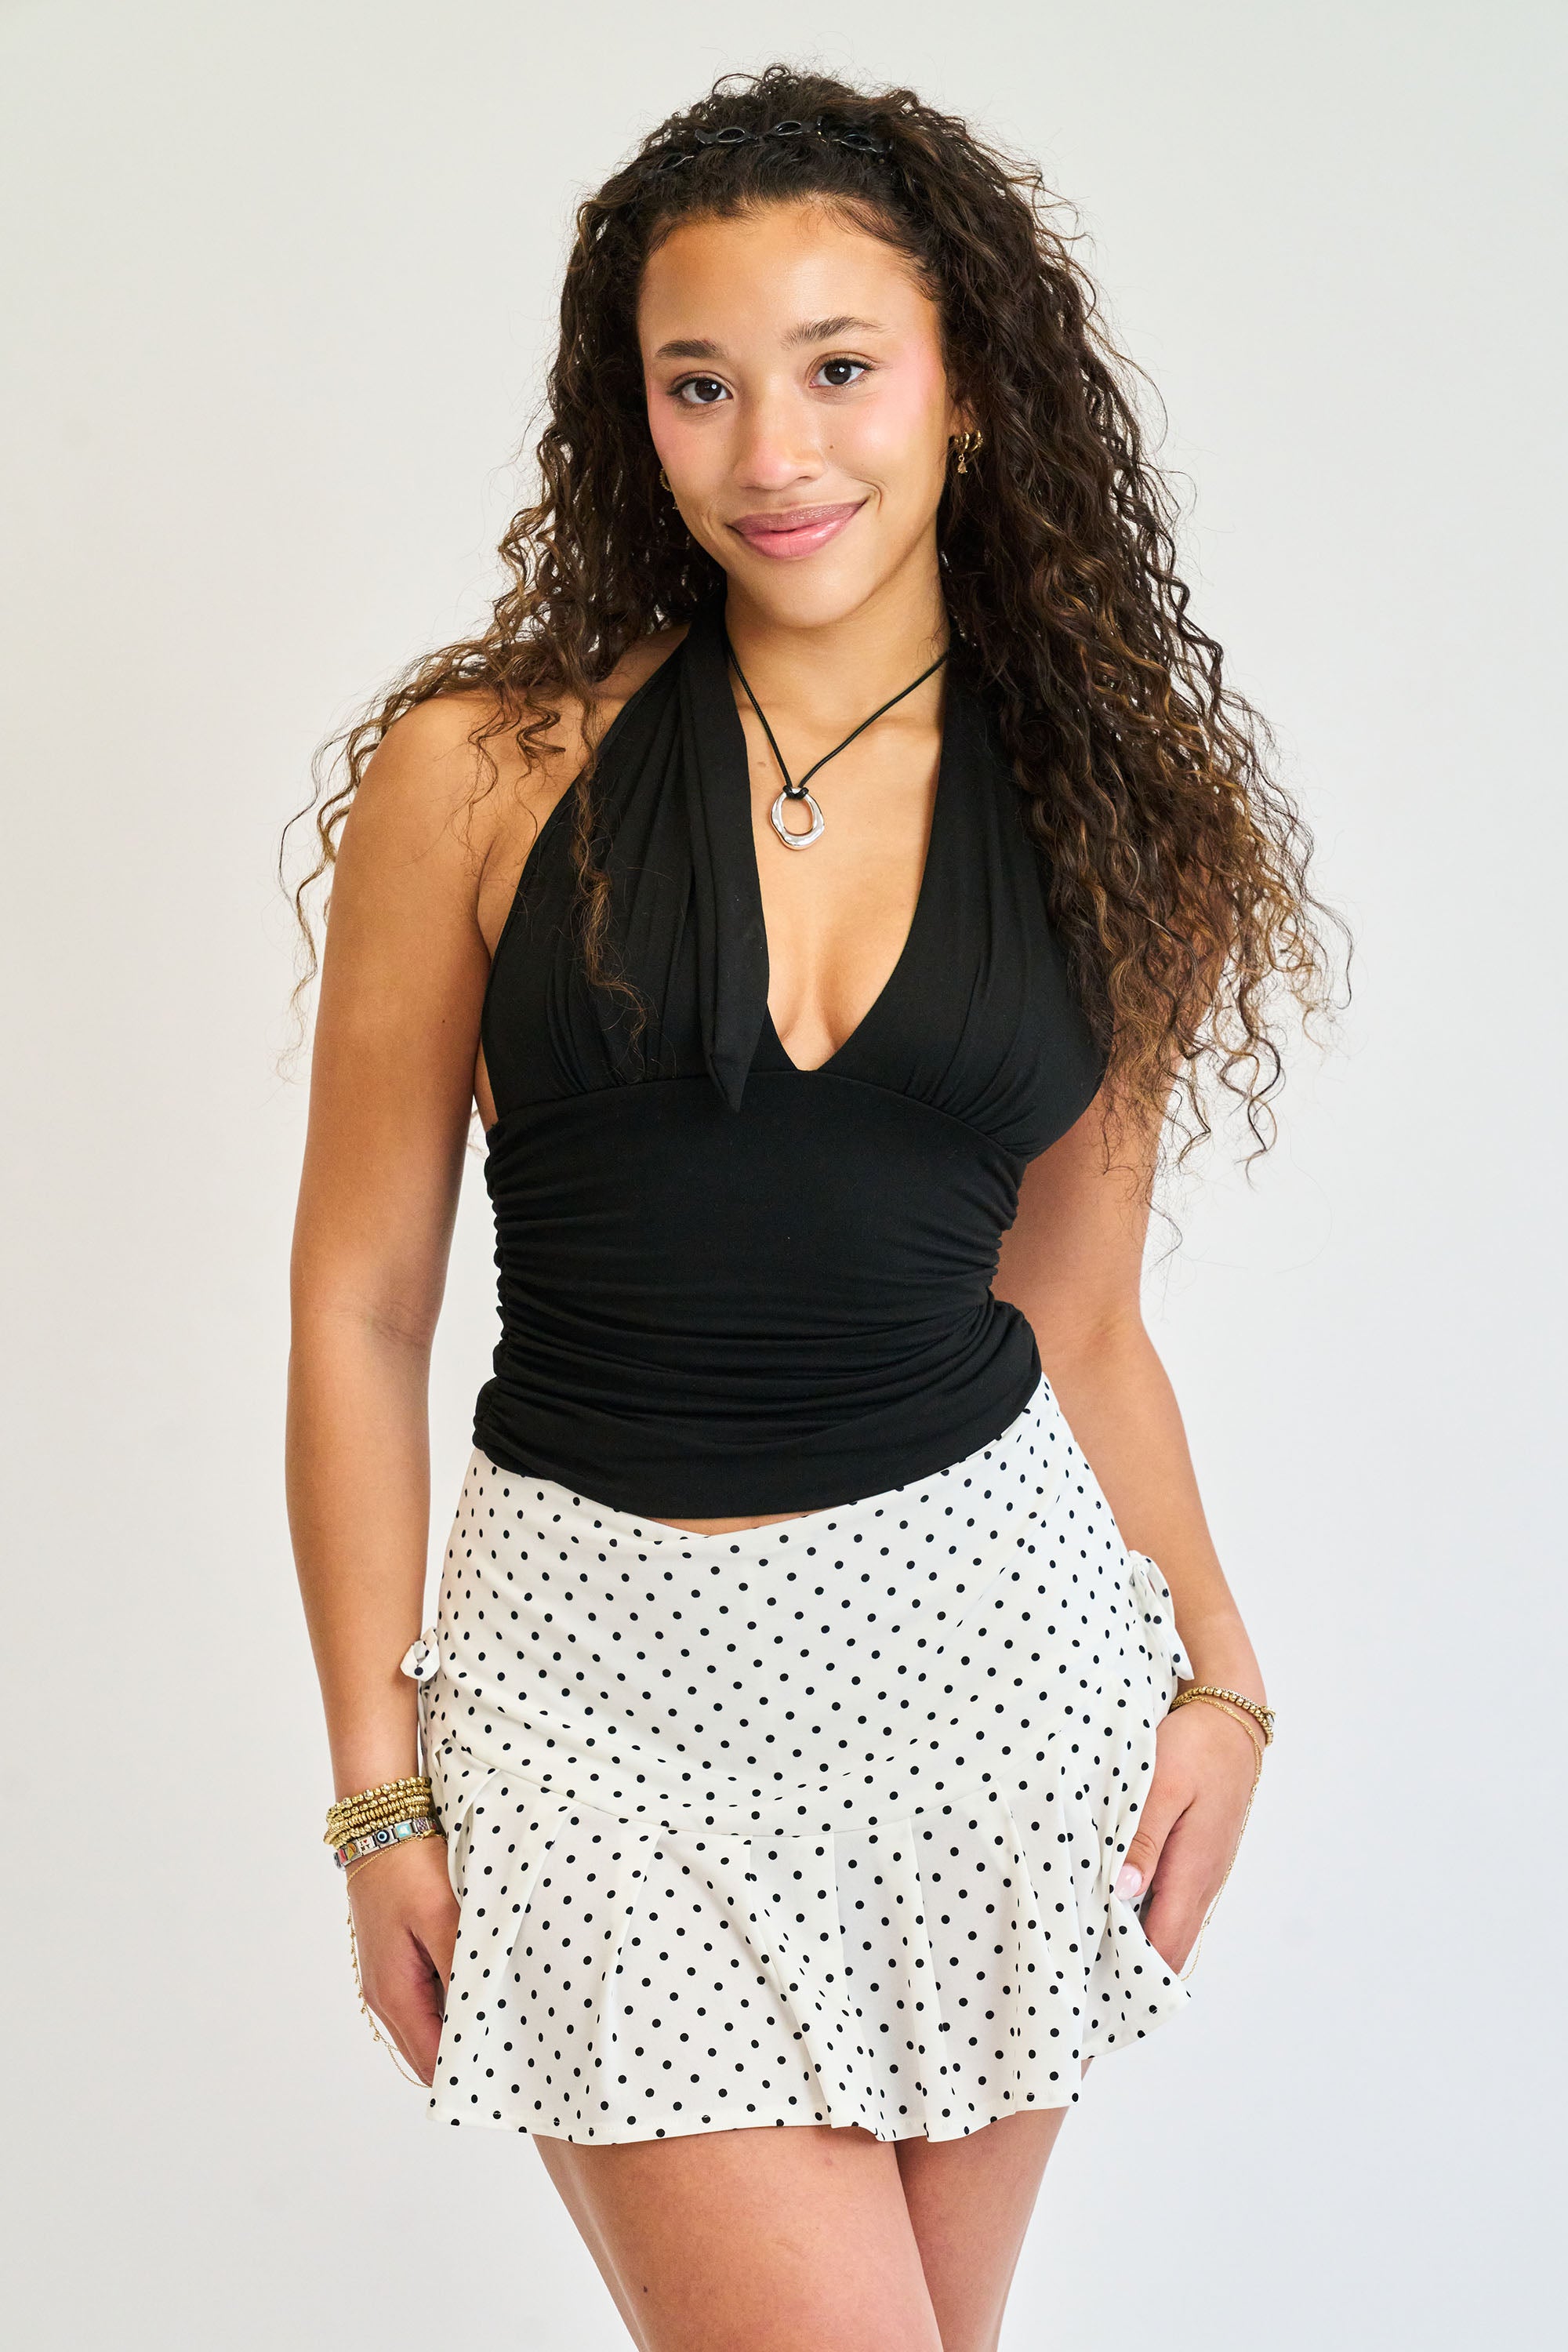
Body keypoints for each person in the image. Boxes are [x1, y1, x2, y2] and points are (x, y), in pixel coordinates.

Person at [285, 64, 1340, 2352]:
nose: (774, 451)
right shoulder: (483, 774)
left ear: (969, 387)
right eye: (701, 384)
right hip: (595, 1704)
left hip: (990, 1675)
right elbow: (362, 1307)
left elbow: (1080, 1316)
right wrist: (378, 1795)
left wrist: (1224, 1676)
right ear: (637, 420)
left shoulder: (1111, 823)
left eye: (840, 367)